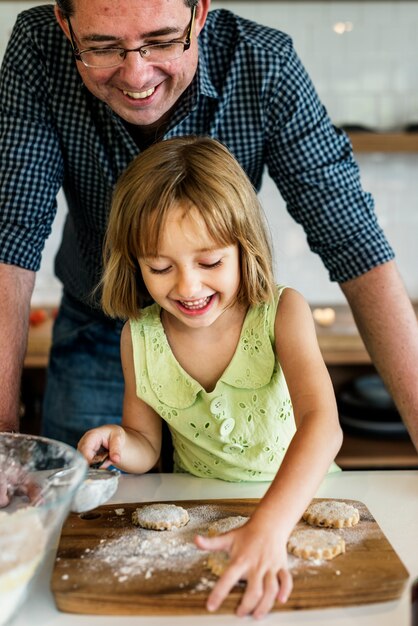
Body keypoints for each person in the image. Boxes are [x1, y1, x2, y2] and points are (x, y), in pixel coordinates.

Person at [0, 0, 417, 451]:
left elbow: (353, 239)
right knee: (86, 502)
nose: (137, 77)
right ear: (66, 24)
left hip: (234, 337)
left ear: (199, 12)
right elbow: (11, 239)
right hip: (104, 328)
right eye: (103, 48)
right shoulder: (41, 47)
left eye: (161, 42)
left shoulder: (263, 64)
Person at [77, 135, 343, 618]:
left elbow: (323, 424)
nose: (188, 286)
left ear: (244, 248)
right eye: (160, 267)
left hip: (303, 502)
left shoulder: (281, 314)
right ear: (135, 265)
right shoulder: (140, 337)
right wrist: (121, 442)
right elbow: (146, 443)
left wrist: (270, 524)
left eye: (210, 262)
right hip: (202, 511)